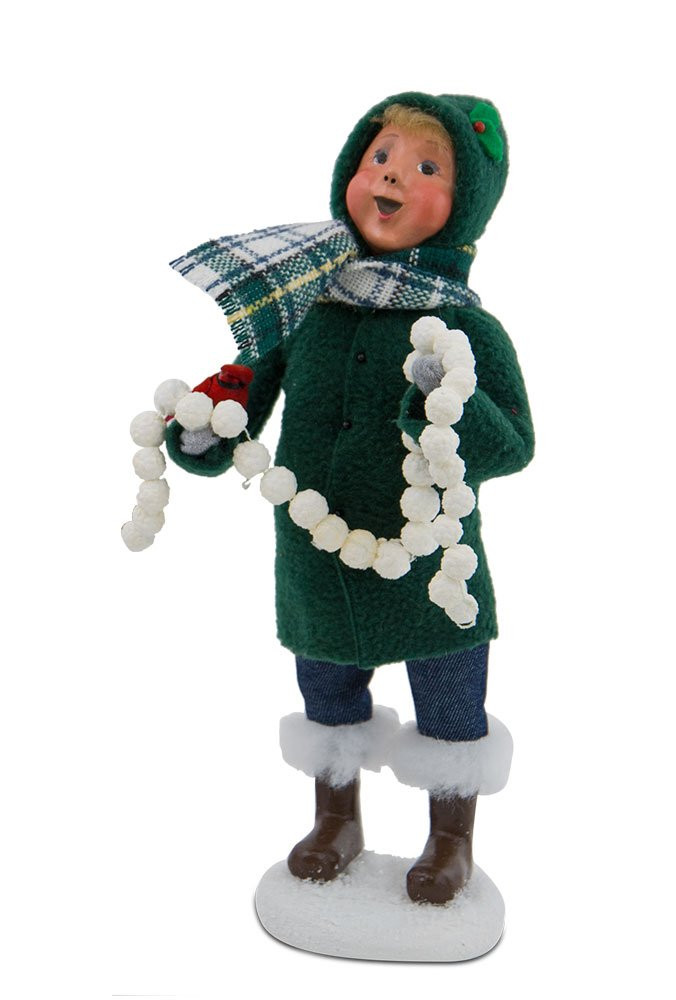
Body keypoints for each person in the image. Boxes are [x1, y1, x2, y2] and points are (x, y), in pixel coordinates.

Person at [166, 91, 534, 904]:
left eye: (426, 167)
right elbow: (238, 403)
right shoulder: (304, 311)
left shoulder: (465, 329)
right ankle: (336, 819)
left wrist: (446, 409)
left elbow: (513, 444)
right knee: (327, 693)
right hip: (318, 552)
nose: (393, 176)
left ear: (465, 205)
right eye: (382, 158)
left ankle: (450, 838)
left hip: (432, 562)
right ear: (350, 173)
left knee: (449, 701)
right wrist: (201, 426)